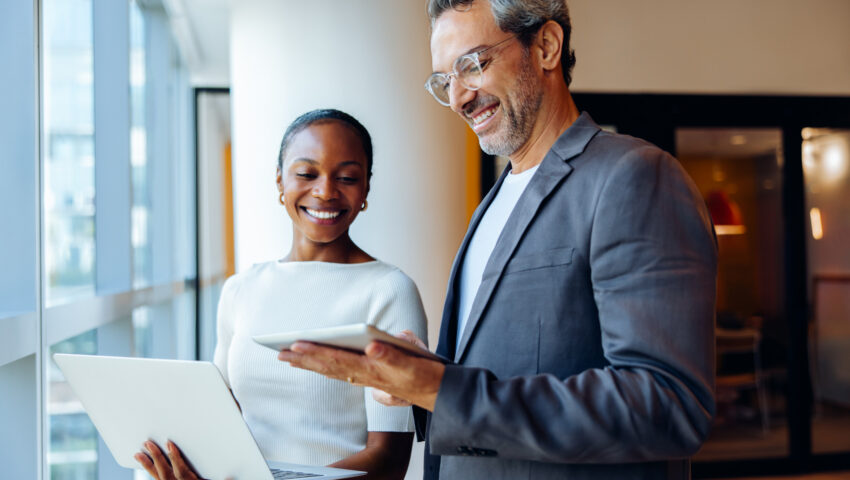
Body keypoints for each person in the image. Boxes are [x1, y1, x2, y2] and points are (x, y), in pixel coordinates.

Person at [279, 1, 718, 479]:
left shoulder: (632, 176)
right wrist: (420, 382)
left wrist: (442, 388)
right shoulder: (490, 206)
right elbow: (494, 381)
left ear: (546, 46)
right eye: (444, 80)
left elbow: (667, 404)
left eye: (472, 64)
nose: (458, 97)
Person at [135, 109, 428, 480]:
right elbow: (224, 423)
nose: (325, 191)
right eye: (306, 174)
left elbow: (387, 461)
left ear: (366, 188)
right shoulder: (240, 289)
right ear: (280, 182)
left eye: (347, 177)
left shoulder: (389, 290)